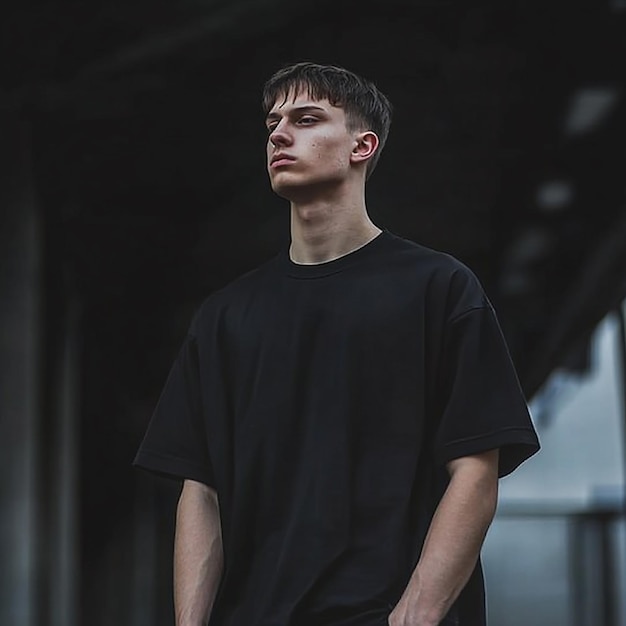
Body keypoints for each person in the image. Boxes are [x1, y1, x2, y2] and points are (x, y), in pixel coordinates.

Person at [134, 62, 540, 626]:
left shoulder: (439, 289)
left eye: (305, 119)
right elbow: (200, 491)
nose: (278, 134)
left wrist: (413, 618)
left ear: (362, 146)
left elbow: (475, 470)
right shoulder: (225, 317)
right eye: (273, 122)